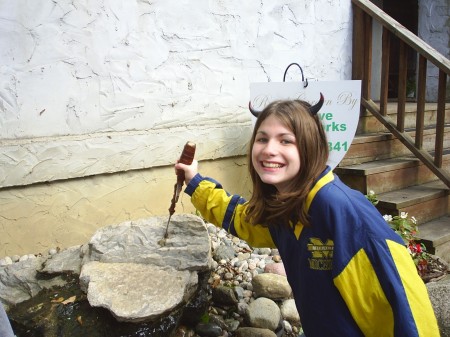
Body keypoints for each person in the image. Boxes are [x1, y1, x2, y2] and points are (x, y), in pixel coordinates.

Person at [175, 96, 440, 337]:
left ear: (309, 146)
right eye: (262, 138)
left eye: (285, 140)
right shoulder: (290, 202)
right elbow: (247, 222)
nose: (269, 149)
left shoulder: (345, 214)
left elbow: (408, 314)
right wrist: (196, 183)